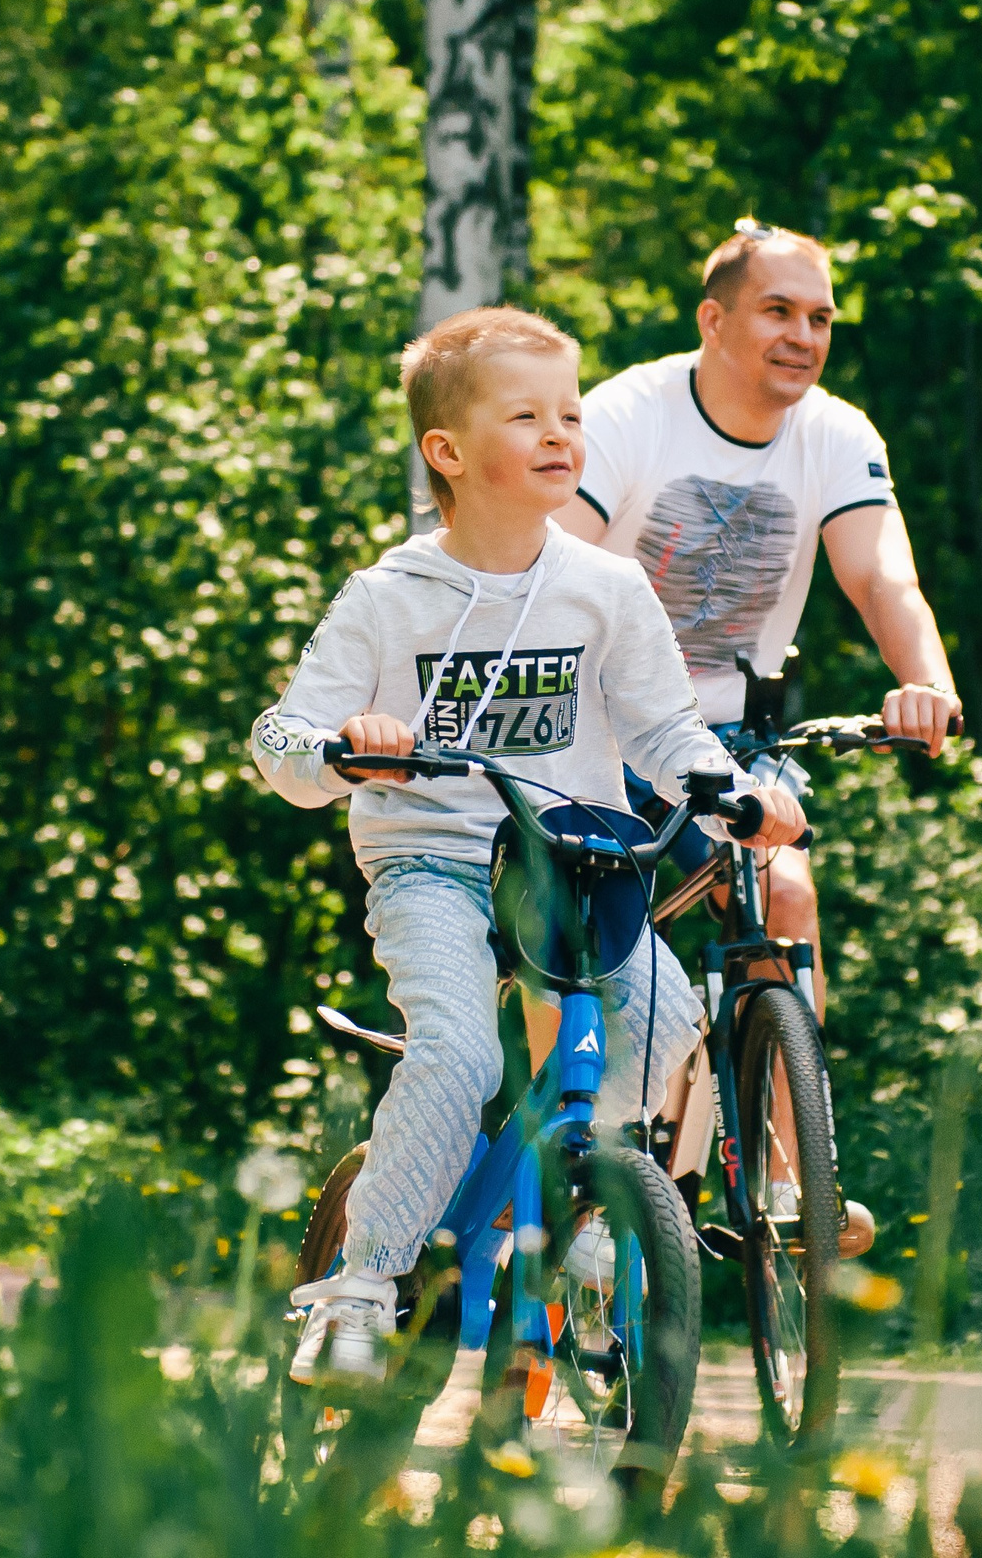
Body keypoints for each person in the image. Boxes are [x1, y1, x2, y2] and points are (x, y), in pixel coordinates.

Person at [250, 305, 808, 1384]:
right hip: (433, 865)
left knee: (661, 1017)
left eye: (568, 412)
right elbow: (280, 738)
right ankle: (361, 1283)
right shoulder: (386, 599)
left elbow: (664, 732)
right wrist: (340, 752)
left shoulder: (604, 589)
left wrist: (732, 794)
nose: (562, 433)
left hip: (573, 860)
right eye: (526, 416)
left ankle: (589, 1205)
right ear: (447, 453)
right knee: (456, 1055)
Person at [557, 222, 960, 1244]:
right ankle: (584, 1161)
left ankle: (792, 1177)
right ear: (714, 319)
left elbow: (879, 576)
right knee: (597, 945)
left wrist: (925, 682)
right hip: (602, 725)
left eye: (819, 317)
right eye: (778, 311)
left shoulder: (835, 434)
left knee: (782, 884)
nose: (802, 335)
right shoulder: (628, 416)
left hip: (730, 734)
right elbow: (554, 571)